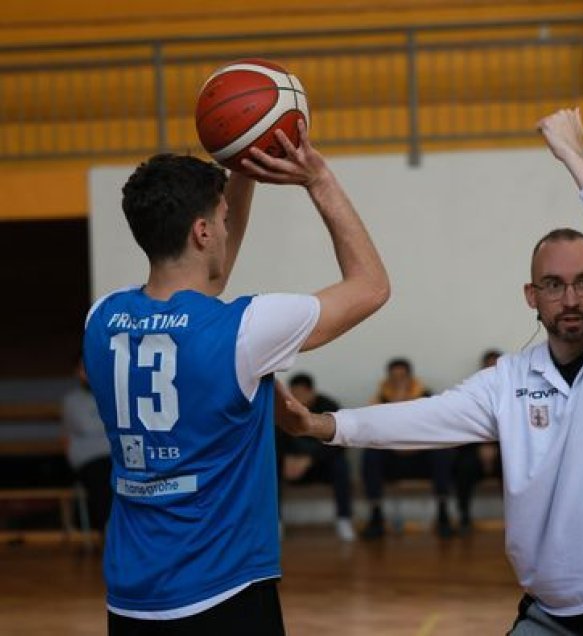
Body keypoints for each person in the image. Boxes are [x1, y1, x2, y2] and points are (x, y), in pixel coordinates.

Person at [282, 109, 583, 633]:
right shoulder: (509, 380)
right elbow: (425, 419)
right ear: (532, 297)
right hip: (554, 616)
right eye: (553, 285)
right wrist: (322, 426)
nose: (570, 297)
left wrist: (573, 155)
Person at [83, 122, 389, 635]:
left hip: (132, 597)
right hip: (221, 592)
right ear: (202, 232)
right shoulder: (243, 333)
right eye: (221, 222)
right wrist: (319, 180)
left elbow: (204, 282)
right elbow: (371, 285)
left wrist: (239, 172)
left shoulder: (101, 318)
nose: (227, 230)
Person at [360, 358, 456, 539]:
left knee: (442, 452)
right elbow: (373, 431)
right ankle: (376, 515)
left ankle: (443, 514)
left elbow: (435, 428)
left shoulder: (426, 396)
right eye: (394, 378)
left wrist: (414, 444)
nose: (398, 381)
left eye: (402, 377)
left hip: (420, 457)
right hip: (392, 459)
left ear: (410, 377)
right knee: (370, 454)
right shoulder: (379, 398)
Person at [273, 373, 355, 541]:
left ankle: (344, 519)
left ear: (311, 392)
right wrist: (287, 459)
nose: (296, 398)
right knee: (269, 468)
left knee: (341, 465)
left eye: (301, 393)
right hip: (289, 467)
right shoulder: (282, 409)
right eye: (293, 393)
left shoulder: (328, 407)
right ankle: (276, 522)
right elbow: (272, 440)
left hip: (319, 466)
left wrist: (309, 460)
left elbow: (339, 444)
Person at [454, 349, 503, 533]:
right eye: (489, 366)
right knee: (464, 467)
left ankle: (518, 519)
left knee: (514, 466)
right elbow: (462, 424)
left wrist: (496, 448)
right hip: (474, 449)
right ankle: (464, 516)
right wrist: (481, 447)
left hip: (504, 451)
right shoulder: (473, 391)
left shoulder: (517, 391)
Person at [62, 357, 112, 535]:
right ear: (77, 372)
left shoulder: (112, 393)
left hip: (117, 457)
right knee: (101, 476)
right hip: (90, 460)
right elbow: (86, 426)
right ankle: (107, 529)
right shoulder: (72, 401)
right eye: (84, 369)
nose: (89, 373)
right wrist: (111, 419)